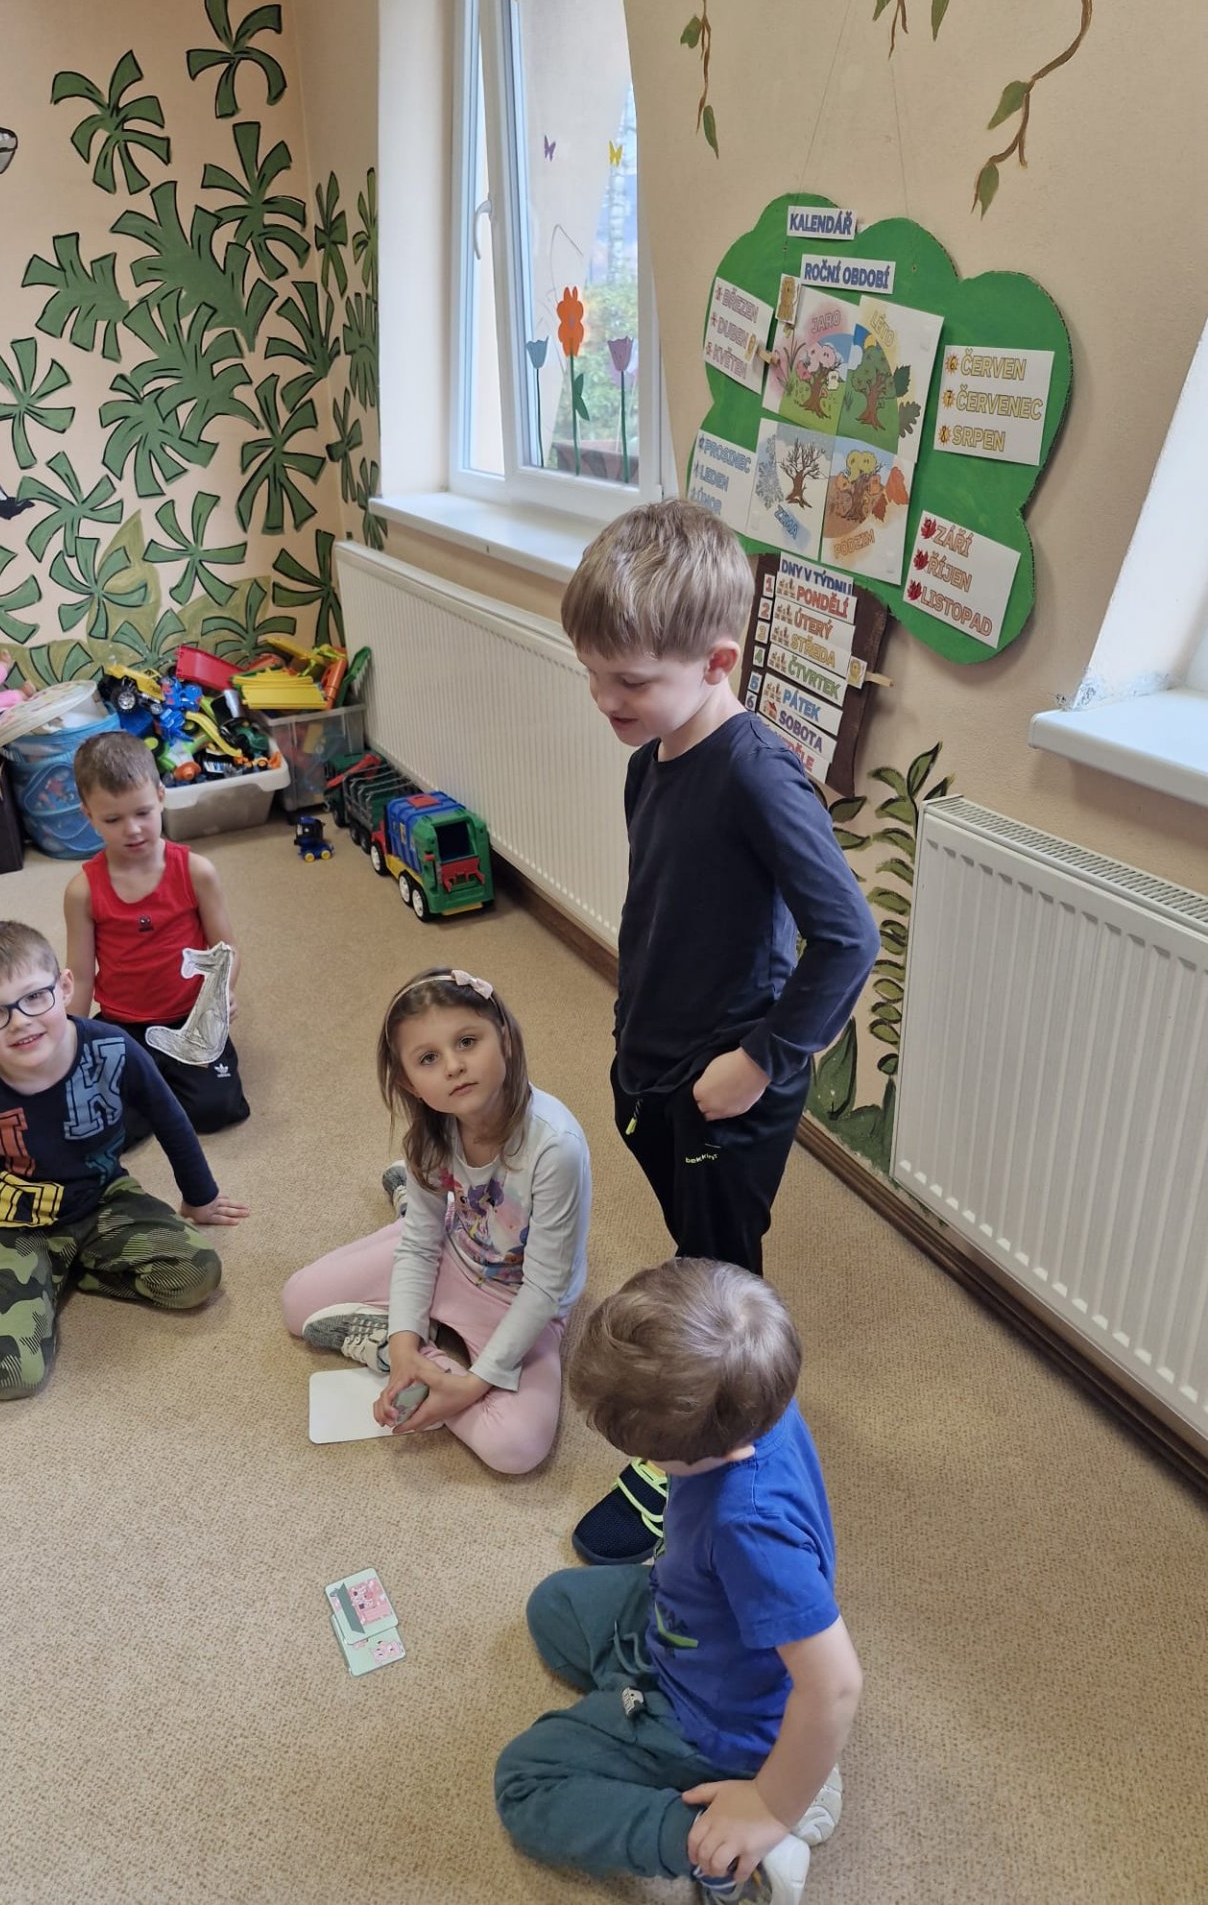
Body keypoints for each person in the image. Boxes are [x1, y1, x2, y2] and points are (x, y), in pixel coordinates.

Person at [558, 498, 878, 1564]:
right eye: (593, 674)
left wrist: (762, 1062)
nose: (605, 701)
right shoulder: (651, 755)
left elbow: (850, 937)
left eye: (629, 681)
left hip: (728, 1084)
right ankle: (719, 1390)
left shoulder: (755, 774)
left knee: (724, 1284)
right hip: (658, 1061)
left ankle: (718, 1441)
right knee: (698, 1250)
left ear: (717, 661)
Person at [495, 1260, 860, 1905]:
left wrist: (768, 1807)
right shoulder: (754, 1392)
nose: (643, 1463)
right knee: (554, 1607)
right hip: (687, 1623)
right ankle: (642, 1714)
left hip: (720, 1722)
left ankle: (727, 1844)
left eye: (650, 1455)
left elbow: (834, 1684)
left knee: (523, 1783)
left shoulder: (749, 1528)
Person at [0, 920, 248, 1398]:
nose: (21, 1021)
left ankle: (59, 1273)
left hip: (100, 1198)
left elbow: (169, 1118)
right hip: (10, 1223)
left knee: (196, 1275)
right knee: (8, 1374)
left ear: (64, 988)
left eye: (35, 997)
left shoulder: (115, 1048)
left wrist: (200, 1197)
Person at [281, 967, 591, 1476]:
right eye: (428, 1058)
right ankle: (394, 1331)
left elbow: (544, 1287)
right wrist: (405, 1344)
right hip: (454, 1245)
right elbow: (422, 1246)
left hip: (522, 1295)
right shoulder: (431, 1133)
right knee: (297, 1302)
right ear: (410, 1082)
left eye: (467, 1041)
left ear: (506, 1039)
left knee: (516, 1448)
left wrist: (468, 1385)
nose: (453, 1066)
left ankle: (410, 1349)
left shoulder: (555, 1147)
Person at [64, 730, 250, 1147]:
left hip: (192, 1017)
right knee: (109, 1126)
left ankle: (162, 1082)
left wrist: (222, 994)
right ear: (88, 815)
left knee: (216, 1111)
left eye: (143, 812)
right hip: (122, 1025)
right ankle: (152, 1083)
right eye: (112, 820)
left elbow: (226, 950)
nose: (132, 830)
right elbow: (81, 976)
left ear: (162, 796)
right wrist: (67, 1043)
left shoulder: (197, 871)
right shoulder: (82, 892)